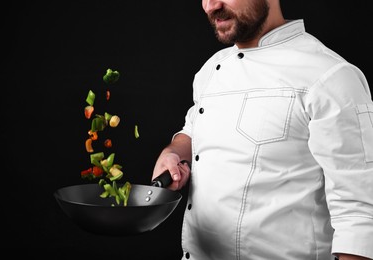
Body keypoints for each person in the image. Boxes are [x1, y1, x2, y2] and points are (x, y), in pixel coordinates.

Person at [152, 0, 373, 259]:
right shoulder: (211, 69)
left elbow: (360, 214)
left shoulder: (330, 76)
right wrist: (174, 153)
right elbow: (192, 130)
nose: (211, 6)